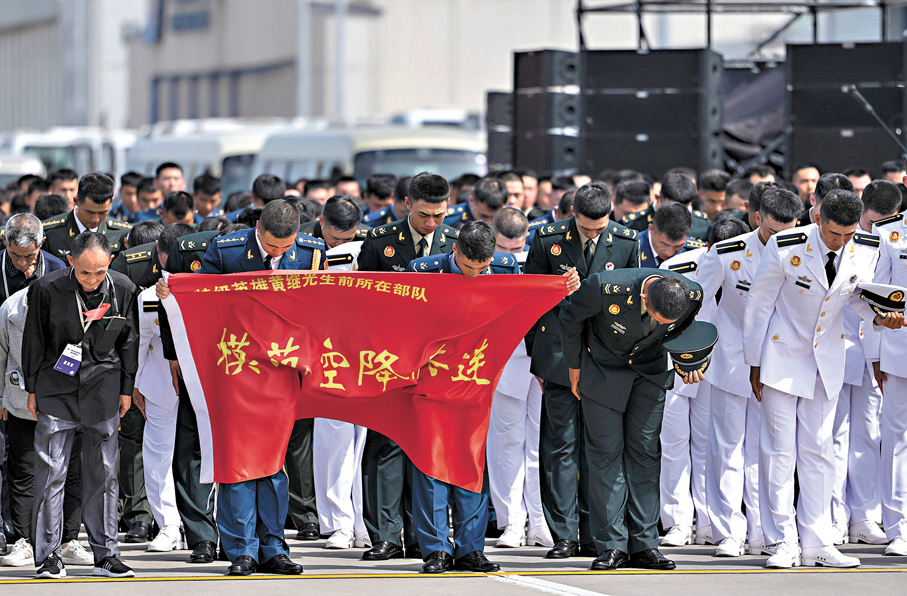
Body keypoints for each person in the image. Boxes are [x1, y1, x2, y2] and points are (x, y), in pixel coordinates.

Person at [158, 199, 324, 576]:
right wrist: (175, 298)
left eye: (286, 248)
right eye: (270, 246)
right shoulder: (227, 250)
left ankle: (274, 547)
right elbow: (201, 298)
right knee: (238, 463)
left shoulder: (312, 254)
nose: (279, 253)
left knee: (273, 465)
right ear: (257, 230)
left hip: (283, 372)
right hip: (236, 369)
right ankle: (241, 550)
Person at [743, 190, 905, 568]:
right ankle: (781, 540)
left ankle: (817, 540)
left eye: (848, 234)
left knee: (819, 450)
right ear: (818, 220)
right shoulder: (786, 246)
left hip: (827, 358)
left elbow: (858, 298)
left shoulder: (865, 247)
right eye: (835, 234)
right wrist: (754, 362)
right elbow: (759, 305)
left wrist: (884, 318)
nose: (842, 241)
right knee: (779, 452)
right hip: (782, 356)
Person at [407, 221, 550, 574]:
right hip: (432, 378)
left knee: (471, 463)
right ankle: (436, 549)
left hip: (476, 378)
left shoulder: (505, 267)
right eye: (470, 268)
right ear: (455, 252)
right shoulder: (423, 270)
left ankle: (471, 548)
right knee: (431, 465)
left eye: (482, 269)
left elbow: (522, 311)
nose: (476, 275)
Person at [559, 269, 705, 571]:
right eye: (656, 318)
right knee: (605, 455)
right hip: (603, 370)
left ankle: (645, 544)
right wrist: (573, 366)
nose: (661, 325)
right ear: (643, 297)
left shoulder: (690, 294)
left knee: (646, 454)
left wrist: (688, 360)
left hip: (649, 374)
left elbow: (688, 329)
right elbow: (570, 316)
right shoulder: (603, 287)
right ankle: (612, 545)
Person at [524, 182, 639, 560]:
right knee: (560, 446)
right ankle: (564, 534)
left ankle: (594, 531)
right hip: (558, 353)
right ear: (572, 214)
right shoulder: (547, 238)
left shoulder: (626, 240)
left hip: (604, 357)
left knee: (600, 446)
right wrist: (557, 289)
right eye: (587, 228)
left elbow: (633, 297)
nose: (594, 234)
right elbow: (529, 297)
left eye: (600, 227)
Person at [23, 232, 140, 579]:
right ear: (71, 261)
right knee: (50, 472)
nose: (93, 280)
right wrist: (31, 389)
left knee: (104, 472)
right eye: (86, 272)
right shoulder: (47, 288)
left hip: (103, 387)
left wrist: (127, 388)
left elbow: (129, 342)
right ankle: (48, 555)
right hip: (56, 387)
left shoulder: (123, 288)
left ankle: (106, 554)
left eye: (100, 272)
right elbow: (34, 340)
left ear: (110, 263)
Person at [356, 172, 459, 561]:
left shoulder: (456, 244)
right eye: (424, 215)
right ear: (406, 205)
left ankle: (421, 535)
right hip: (389, 359)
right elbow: (361, 303)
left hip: (439, 364)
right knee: (386, 445)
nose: (432, 223)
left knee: (427, 449)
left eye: (439, 215)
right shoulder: (380, 243)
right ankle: (385, 534)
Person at [695, 188, 801, 558]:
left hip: (779, 364)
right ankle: (728, 532)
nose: (780, 240)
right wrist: (694, 351)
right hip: (732, 359)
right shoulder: (727, 252)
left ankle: (766, 531)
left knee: (769, 450)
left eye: (788, 231)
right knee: (727, 449)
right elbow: (698, 300)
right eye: (773, 232)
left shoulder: (800, 251)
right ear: (757, 218)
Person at [830, 180, 902, 547]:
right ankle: (836, 518)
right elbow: (872, 298)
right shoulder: (868, 238)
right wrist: (875, 353)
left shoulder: (886, 238)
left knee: (868, 437)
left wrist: (876, 354)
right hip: (847, 348)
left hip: (875, 349)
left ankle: (865, 515)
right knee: (837, 437)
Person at [486, 208, 560, 549]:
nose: (512, 256)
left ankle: (540, 519)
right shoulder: (484, 260)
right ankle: (511, 521)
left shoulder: (539, 256)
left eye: (517, 248)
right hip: (504, 357)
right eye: (505, 247)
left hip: (541, 357)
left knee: (539, 440)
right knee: (506, 442)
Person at [867, 187, 907, 556]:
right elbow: (876, 298)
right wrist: (875, 353)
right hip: (901, 348)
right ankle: (898, 527)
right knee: (896, 441)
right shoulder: (890, 233)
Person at [42, 174, 132, 259]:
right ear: (76, 201)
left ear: (111, 202)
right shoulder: (50, 232)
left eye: (102, 212)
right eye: (90, 212)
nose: (95, 219)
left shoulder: (122, 233)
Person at [1, 214, 66, 304]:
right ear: (4, 239)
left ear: (42, 242)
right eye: (15, 254)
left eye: (29, 256)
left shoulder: (57, 270)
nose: (22, 263)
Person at [639, 203, 701, 268]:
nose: (669, 253)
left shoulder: (695, 252)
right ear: (651, 229)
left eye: (678, 246)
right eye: (664, 244)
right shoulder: (630, 250)